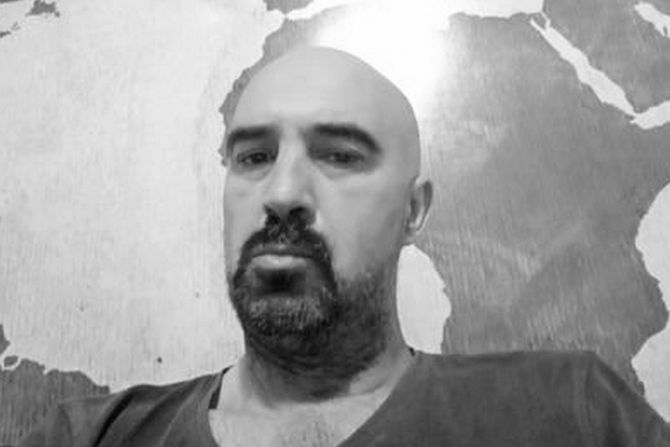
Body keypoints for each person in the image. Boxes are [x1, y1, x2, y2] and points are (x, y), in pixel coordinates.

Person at [18, 46, 670, 447]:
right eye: (254, 156)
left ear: (413, 210)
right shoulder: (86, 436)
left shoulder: (571, 414)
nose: (283, 193)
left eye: (339, 155)